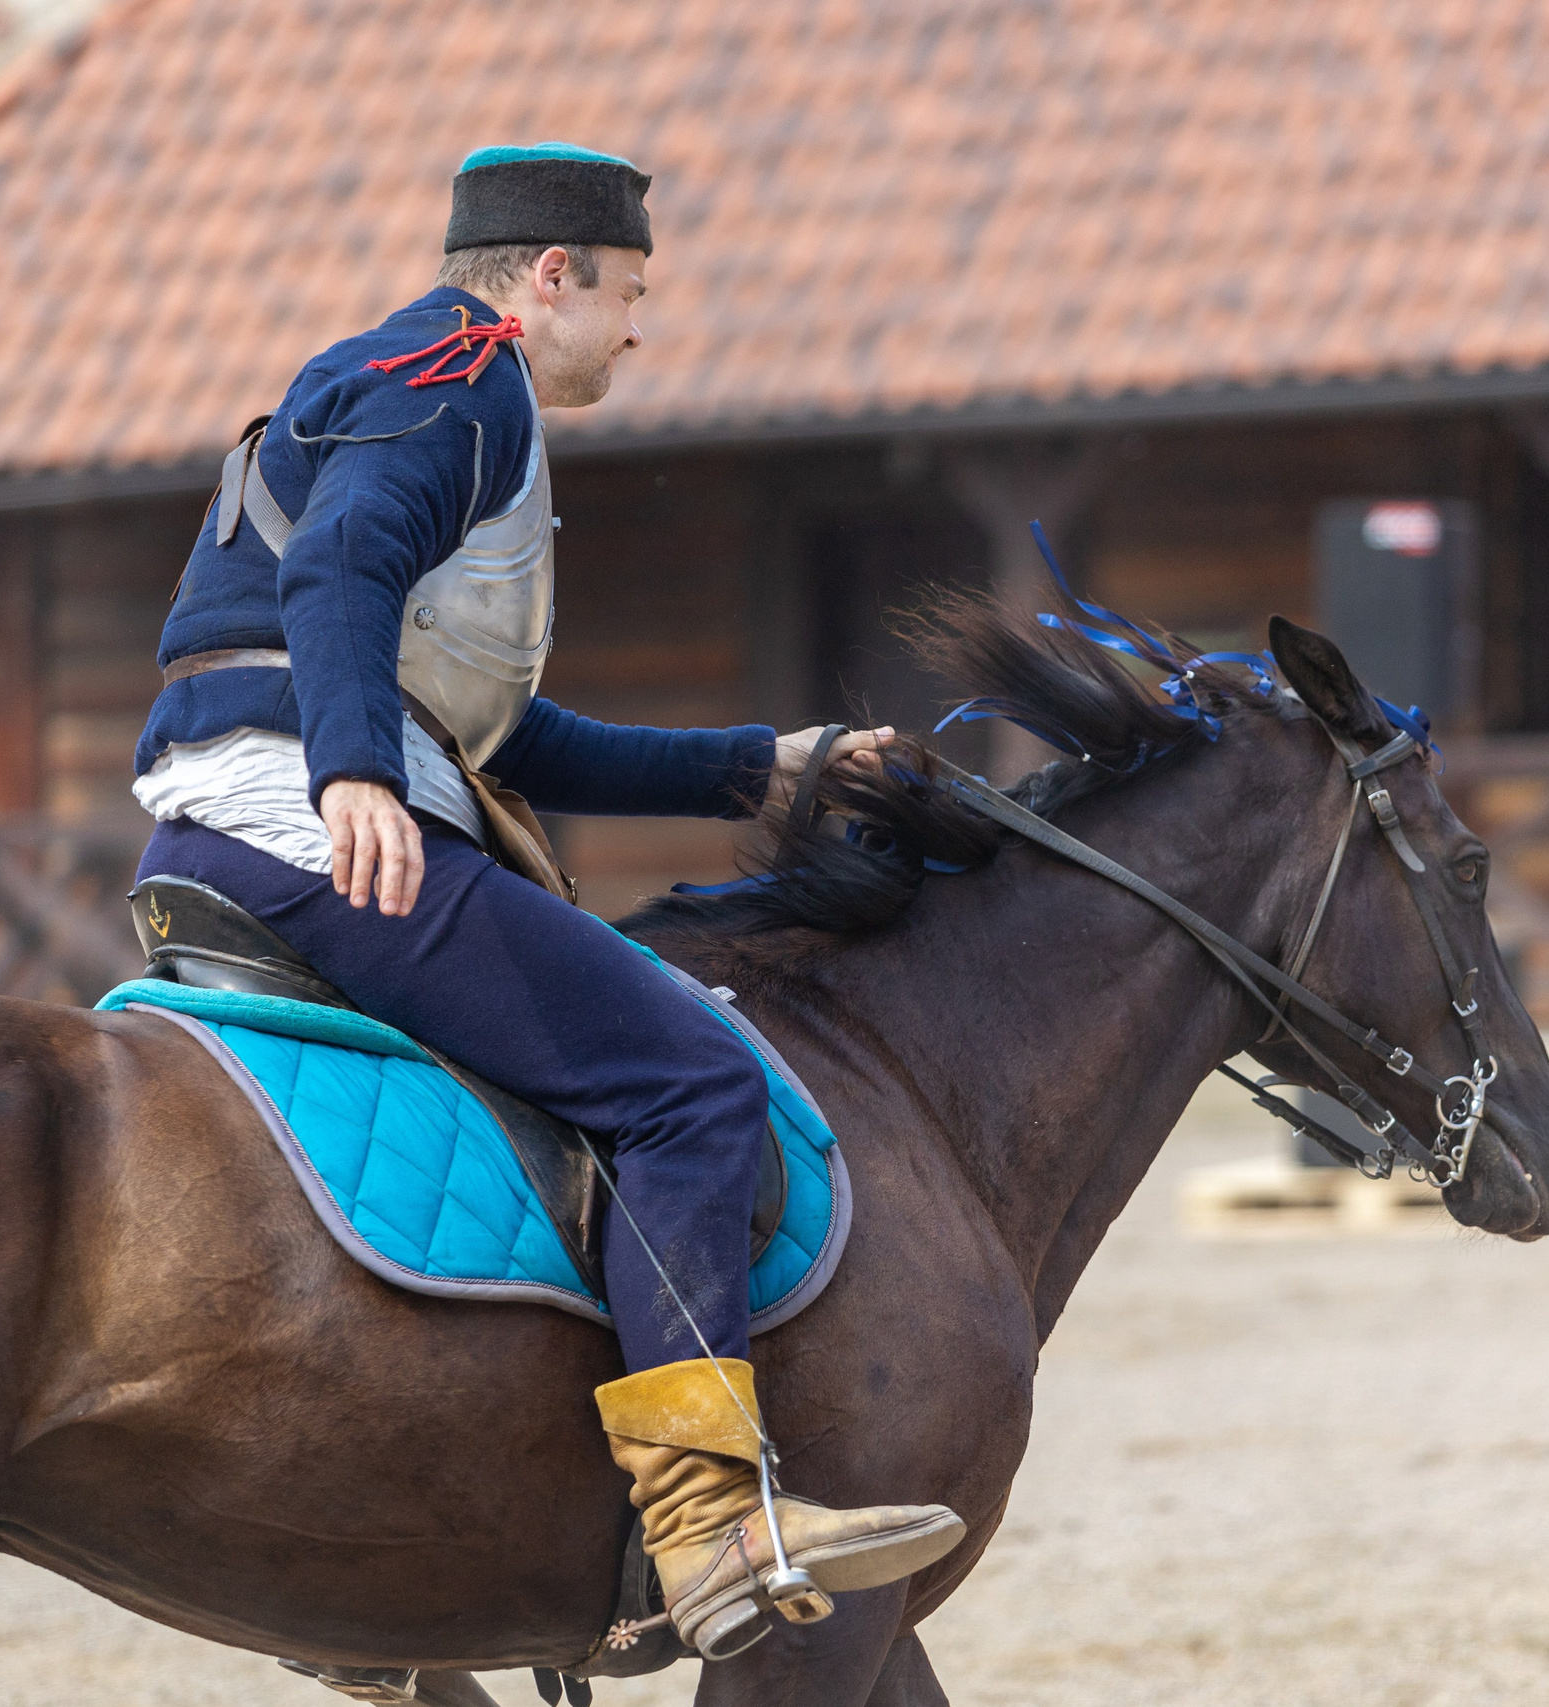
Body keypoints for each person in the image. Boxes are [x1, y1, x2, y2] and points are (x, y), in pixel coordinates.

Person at [129, 142, 962, 1657]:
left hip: (214, 837)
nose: (639, 330)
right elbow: (338, 578)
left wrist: (763, 771)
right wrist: (354, 776)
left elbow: (510, 740)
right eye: (629, 293)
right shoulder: (468, 378)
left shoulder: (389, 375)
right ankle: (710, 1526)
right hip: (317, 832)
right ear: (550, 277)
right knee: (694, 1089)